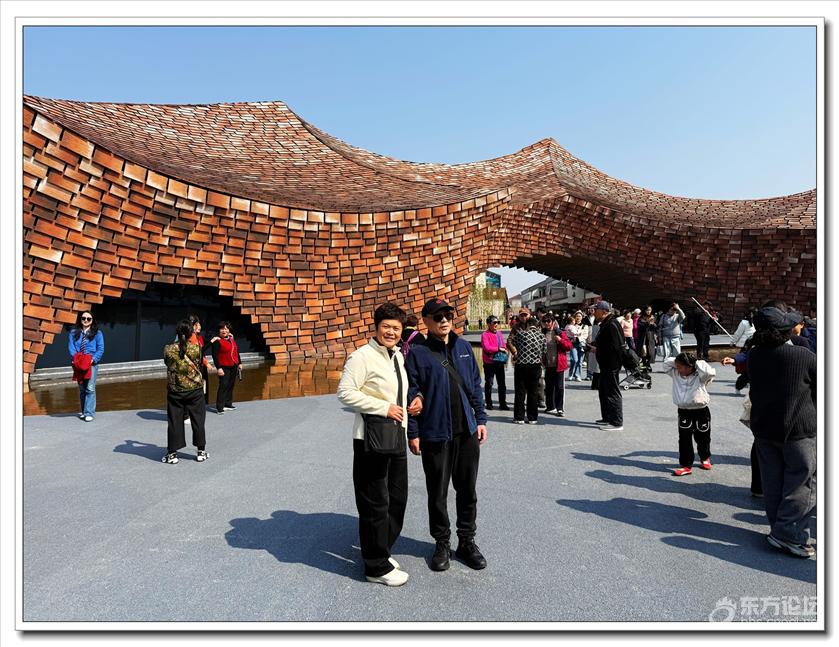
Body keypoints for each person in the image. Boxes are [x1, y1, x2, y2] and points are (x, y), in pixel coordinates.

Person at [337, 302, 422, 586]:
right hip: (370, 439)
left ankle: (381, 549)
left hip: (395, 436)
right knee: (375, 502)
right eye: (386, 326)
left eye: (396, 328)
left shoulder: (396, 355)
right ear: (375, 327)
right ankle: (375, 567)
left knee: (397, 498)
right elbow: (345, 393)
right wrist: (383, 407)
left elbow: (398, 392)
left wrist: (413, 402)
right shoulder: (362, 356)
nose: (391, 332)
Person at [405, 297, 488, 572]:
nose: (444, 321)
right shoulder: (417, 353)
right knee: (437, 493)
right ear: (426, 321)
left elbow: (474, 385)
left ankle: (466, 541)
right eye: (437, 316)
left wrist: (481, 419)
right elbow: (411, 393)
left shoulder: (463, 347)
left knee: (467, 490)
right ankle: (441, 543)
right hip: (435, 433)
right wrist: (413, 432)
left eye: (448, 316)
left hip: (466, 432)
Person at [747, 305, 816, 558]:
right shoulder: (802, 355)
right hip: (798, 429)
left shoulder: (755, 354)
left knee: (773, 481)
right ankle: (789, 534)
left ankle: (778, 528)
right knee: (802, 482)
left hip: (764, 427)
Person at [162, 319, 208, 464]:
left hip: (176, 391)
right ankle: (201, 452)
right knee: (198, 420)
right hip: (195, 389)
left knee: (174, 421)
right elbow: (199, 363)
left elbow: (168, 363)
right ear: (190, 333)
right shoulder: (196, 348)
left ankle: (172, 454)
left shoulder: (168, 349)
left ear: (177, 333)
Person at [662, 352, 716, 476]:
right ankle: (686, 465)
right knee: (684, 438)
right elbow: (666, 364)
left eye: (681, 367)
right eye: (677, 366)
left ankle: (704, 457)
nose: (678, 369)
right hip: (684, 410)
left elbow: (710, 372)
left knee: (703, 436)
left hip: (701, 410)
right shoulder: (675, 373)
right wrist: (679, 360)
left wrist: (696, 362)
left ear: (690, 366)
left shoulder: (700, 375)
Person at [588, 301, 624, 431]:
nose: (594, 312)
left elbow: (615, 347)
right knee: (603, 391)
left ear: (604, 311)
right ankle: (607, 417)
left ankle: (616, 422)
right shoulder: (605, 323)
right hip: (605, 364)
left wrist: (597, 349)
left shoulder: (612, 324)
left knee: (612, 392)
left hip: (611, 364)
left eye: (596, 309)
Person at [68, 310, 105, 422]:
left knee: (90, 388)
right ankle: (84, 412)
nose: (86, 320)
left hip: (91, 363)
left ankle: (89, 413)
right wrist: (76, 360)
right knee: (82, 388)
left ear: (92, 320)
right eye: (83, 318)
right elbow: (71, 348)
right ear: (80, 319)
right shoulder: (73, 333)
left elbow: (100, 349)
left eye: (88, 319)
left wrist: (92, 360)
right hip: (78, 363)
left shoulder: (97, 333)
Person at [511, 317, 546, 424]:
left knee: (520, 391)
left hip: (521, 365)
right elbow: (544, 351)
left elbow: (514, 343)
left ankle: (519, 417)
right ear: (537, 325)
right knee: (533, 392)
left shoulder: (521, 334)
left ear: (527, 325)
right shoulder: (542, 336)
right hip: (535, 366)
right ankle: (532, 418)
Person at [480, 316, 509, 411]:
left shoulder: (499, 333)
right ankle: (489, 403)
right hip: (489, 362)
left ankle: (503, 403)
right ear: (488, 324)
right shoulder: (485, 334)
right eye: (494, 322)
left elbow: (503, 345)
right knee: (489, 383)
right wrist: (498, 349)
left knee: (502, 384)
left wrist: (505, 349)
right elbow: (486, 347)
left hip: (499, 362)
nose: (496, 324)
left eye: (497, 322)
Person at [211, 321, 240, 414]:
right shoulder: (217, 341)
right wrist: (218, 368)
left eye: (226, 329)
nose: (224, 331)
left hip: (233, 365)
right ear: (219, 330)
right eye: (222, 329)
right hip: (224, 366)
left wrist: (239, 363)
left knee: (231, 385)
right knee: (223, 386)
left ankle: (227, 404)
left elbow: (236, 351)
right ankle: (219, 407)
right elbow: (214, 356)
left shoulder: (231, 338)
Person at [550, 320, 573, 417]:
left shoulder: (560, 333)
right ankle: (550, 406)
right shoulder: (542, 332)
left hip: (559, 364)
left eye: (548, 321)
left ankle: (559, 408)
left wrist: (560, 340)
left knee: (559, 387)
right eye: (544, 321)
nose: (546, 323)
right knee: (549, 387)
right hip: (547, 364)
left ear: (553, 323)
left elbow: (569, 346)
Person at [564, 312, 584, 381]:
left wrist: (578, 338)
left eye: (580, 316)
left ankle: (577, 375)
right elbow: (570, 333)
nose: (578, 317)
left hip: (581, 344)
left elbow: (585, 335)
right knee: (574, 360)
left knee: (580, 361)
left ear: (582, 317)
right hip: (573, 344)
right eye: (577, 316)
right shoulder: (571, 326)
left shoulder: (584, 325)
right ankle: (570, 374)